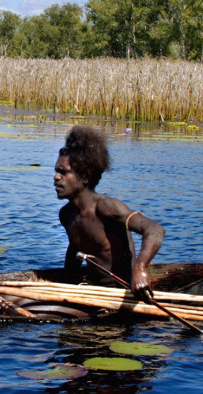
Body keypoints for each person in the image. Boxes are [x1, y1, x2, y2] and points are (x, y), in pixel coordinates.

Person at [54, 126, 164, 299]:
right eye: (56, 171)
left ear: (85, 177)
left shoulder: (107, 208)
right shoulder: (66, 214)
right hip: (95, 293)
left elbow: (155, 230)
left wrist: (140, 269)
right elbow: (75, 250)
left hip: (123, 295)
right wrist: (66, 287)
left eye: (63, 172)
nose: (56, 177)